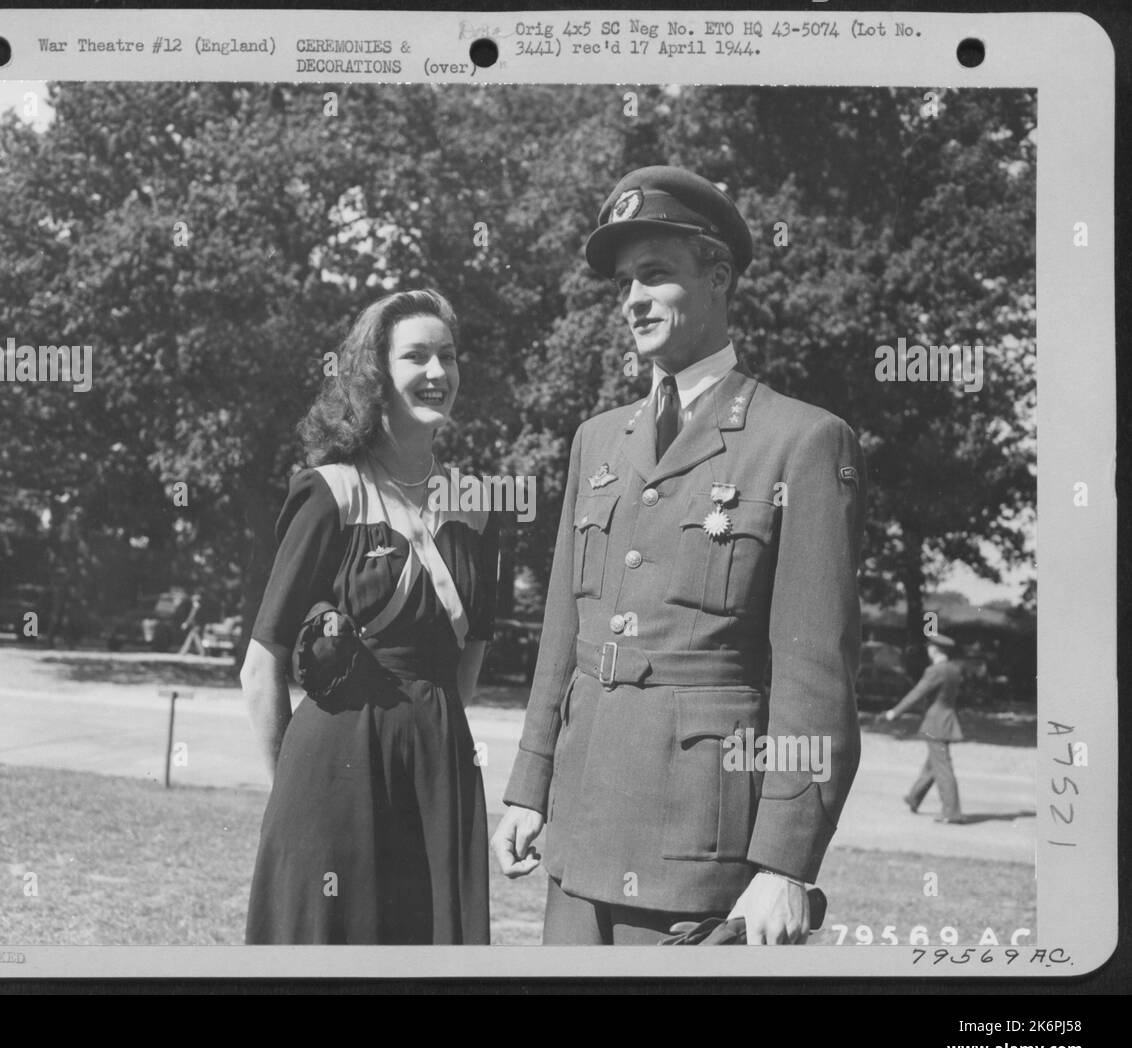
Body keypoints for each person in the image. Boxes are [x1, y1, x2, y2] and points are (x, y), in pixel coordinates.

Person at [492, 165, 867, 945]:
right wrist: (530, 787)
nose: (632, 298)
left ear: (719, 276)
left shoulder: (799, 441)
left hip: (697, 846)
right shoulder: (598, 440)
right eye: (625, 282)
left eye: (655, 275)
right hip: (579, 827)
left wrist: (785, 865)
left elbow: (813, 673)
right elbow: (563, 630)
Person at [240, 289, 499, 944]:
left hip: (439, 771)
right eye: (416, 356)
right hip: (334, 770)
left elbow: (470, 660)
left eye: (448, 356)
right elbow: (261, 665)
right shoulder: (329, 491)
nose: (437, 373)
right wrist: (296, 795)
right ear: (376, 373)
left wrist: (428, 731)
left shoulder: (476, 504)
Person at [884, 633, 967, 824]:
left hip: (936, 724)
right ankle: (914, 797)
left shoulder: (935, 671)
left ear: (934, 649)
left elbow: (917, 693)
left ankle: (952, 812)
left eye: (930, 647)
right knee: (934, 764)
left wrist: (895, 712)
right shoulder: (954, 669)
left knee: (942, 768)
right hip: (947, 721)